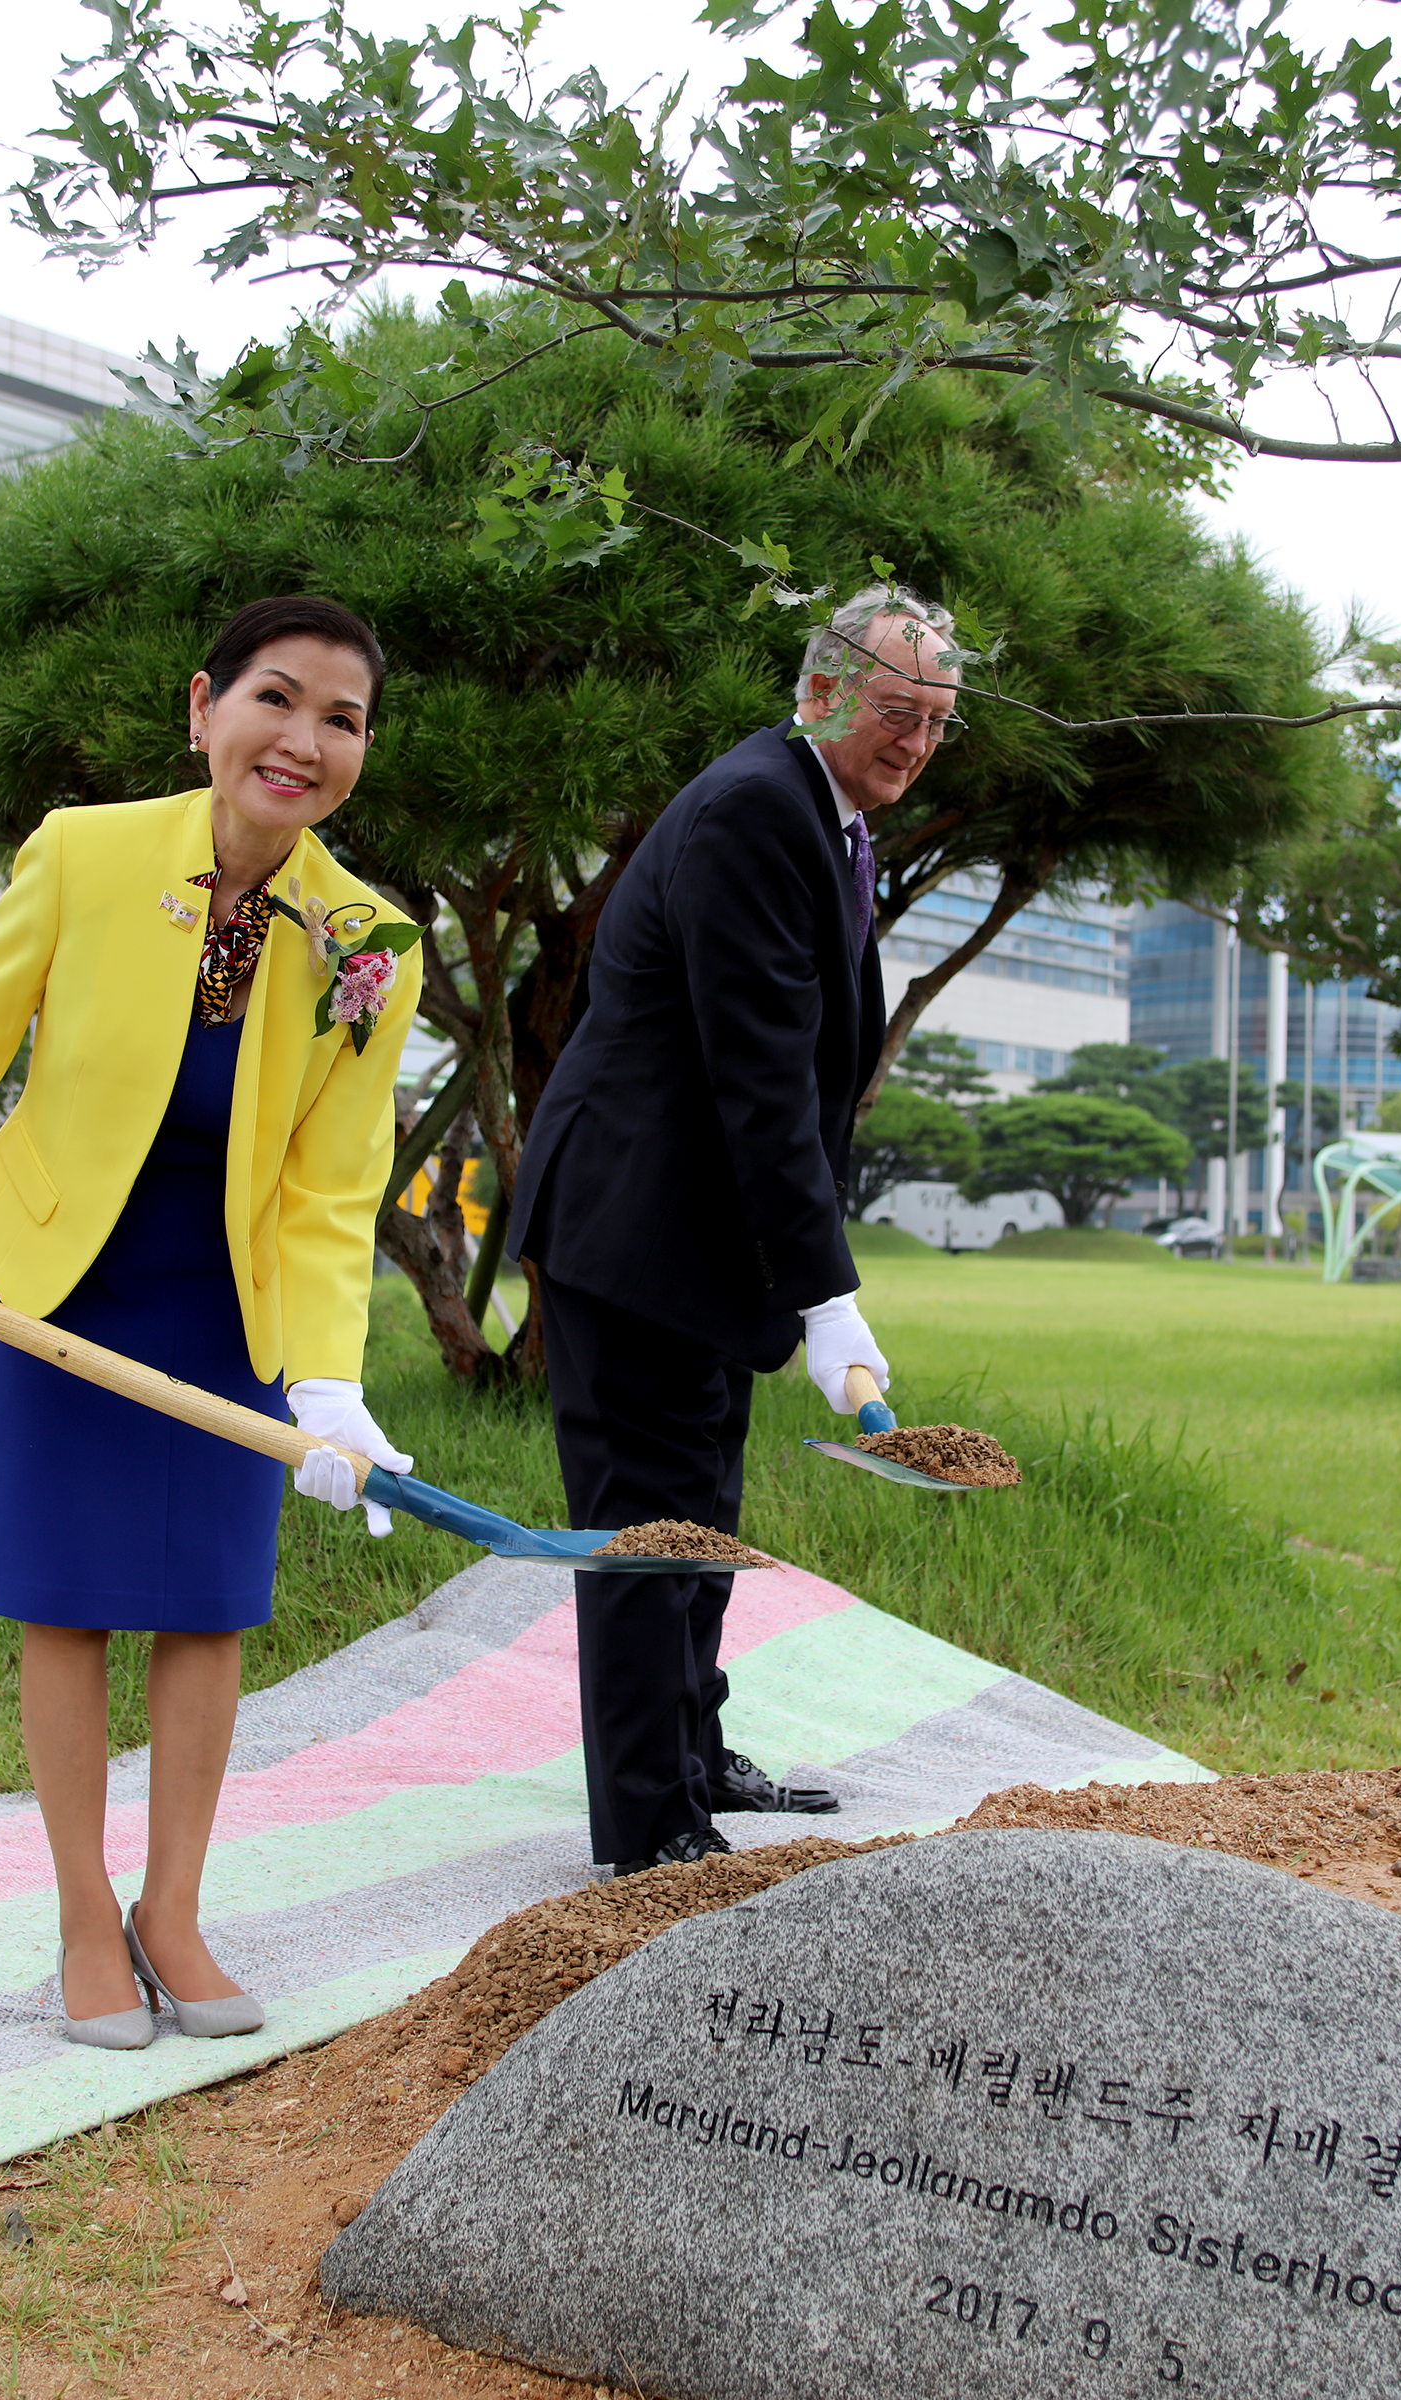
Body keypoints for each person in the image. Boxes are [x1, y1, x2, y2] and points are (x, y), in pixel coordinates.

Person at [0, 594, 421, 2048]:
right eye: (277, 698)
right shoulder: (81, 852)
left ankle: (173, 1910)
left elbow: (336, 1189)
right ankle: (84, 1914)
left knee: (210, 1605)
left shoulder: (367, 942)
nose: (305, 740)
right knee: (66, 1599)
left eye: (344, 720)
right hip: (53, 1283)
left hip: (226, 1305)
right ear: (205, 706)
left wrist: (327, 1384)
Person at [506, 584, 965, 1874]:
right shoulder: (760, 808)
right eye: (895, 710)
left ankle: (694, 1757)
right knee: (650, 1532)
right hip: (637, 1223)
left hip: (702, 1240)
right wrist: (829, 1299)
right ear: (822, 689)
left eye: (936, 721)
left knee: (704, 1508)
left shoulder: (820, 814)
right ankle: (652, 1828)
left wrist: (801, 1285)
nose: (915, 742)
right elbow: (759, 1078)